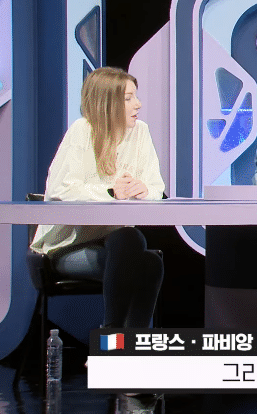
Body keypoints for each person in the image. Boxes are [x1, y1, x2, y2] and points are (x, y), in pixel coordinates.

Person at [31, 67, 165, 329]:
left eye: (135, 97)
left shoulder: (140, 132)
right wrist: (111, 192)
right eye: (128, 98)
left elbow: (155, 188)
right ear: (107, 103)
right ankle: (115, 337)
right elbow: (61, 191)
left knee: (145, 255)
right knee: (138, 251)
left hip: (117, 245)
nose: (138, 104)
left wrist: (142, 190)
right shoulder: (82, 130)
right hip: (68, 245)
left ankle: (123, 340)